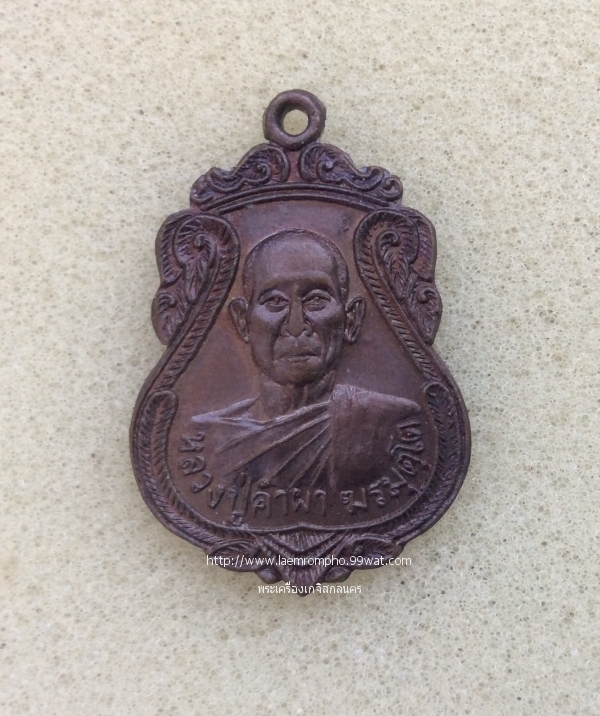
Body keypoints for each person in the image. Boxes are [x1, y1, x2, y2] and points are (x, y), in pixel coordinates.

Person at [191, 229, 425, 498]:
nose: (296, 326)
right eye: (275, 301)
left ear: (351, 320)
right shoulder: (210, 436)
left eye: (316, 300)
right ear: (243, 321)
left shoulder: (387, 422)